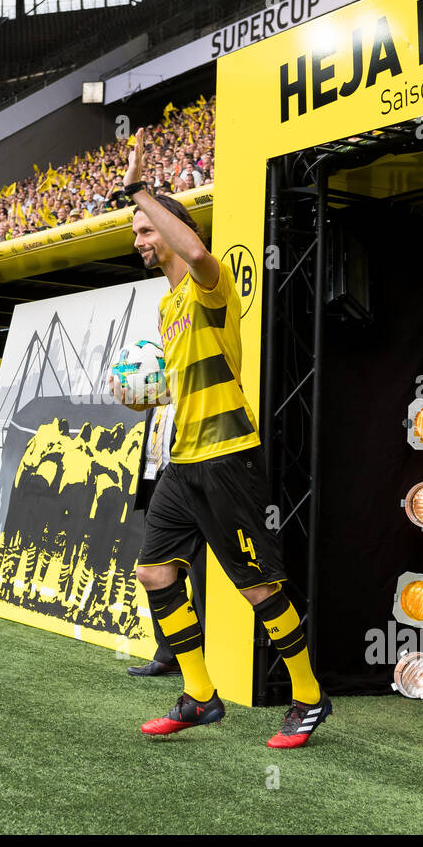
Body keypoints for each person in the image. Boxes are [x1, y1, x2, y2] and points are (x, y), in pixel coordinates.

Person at [113, 128, 330, 749]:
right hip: (182, 463)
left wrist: (142, 192)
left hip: (228, 457)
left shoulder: (211, 282)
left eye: (146, 230)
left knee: (259, 586)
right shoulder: (166, 307)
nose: (140, 241)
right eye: (135, 232)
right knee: (155, 572)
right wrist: (143, 395)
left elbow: (199, 250)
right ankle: (200, 694)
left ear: (171, 226)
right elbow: (180, 386)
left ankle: (310, 697)